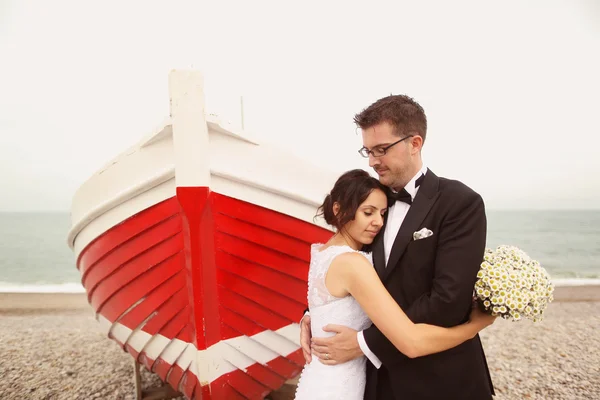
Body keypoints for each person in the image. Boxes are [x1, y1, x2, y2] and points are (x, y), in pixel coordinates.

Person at [300, 95, 495, 400]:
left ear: (415, 143)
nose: (372, 160)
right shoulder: (372, 206)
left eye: (381, 150)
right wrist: (316, 315)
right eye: (368, 150)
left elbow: (448, 300)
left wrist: (365, 342)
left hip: (440, 379)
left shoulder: (459, 202)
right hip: (377, 384)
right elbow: (344, 267)